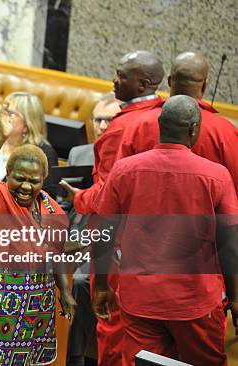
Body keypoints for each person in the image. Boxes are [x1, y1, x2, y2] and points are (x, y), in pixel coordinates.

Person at [93, 95, 238, 365]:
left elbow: (103, 232)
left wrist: (102, 285)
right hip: (195, 303)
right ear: (194, 129)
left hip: (140, 301)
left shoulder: (124, 169)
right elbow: (229, 244)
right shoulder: (216, 176)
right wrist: (236, 296)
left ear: (160, 124)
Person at [59, 50, 164, 366]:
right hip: (163, 247)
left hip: (118, 247)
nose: (114, 80)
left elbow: (107, 198)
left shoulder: (122, 128)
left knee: (113, 334)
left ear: (143, 83)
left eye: (121, 75)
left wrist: (79, 198)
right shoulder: (167, 117)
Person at [0, 107, 76, 365]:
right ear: (8, 175)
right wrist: (0, 138)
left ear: (43, 180)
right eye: (19, 178)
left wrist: (64, 291)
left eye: (34, 180)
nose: (26, 186)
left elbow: (54, 255)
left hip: (36, 305)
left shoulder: (52, 207)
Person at [117, 52, 238, 191]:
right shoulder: (226, 132)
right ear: (204, 85)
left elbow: (120, 180)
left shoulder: (139, 124)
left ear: (169, 82)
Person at [65, 93, 120, 366]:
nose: (100, 126)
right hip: (77, 230)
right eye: (96, 119)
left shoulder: (126, 159)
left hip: (110, 238)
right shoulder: (80, 153)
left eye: (108, 120)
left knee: (79, 281)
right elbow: (66, 204)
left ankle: (74, 357)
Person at [67, 93, 121, 167]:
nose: (102, 126)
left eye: (110, 120)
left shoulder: (136, 161)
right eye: (98, 120)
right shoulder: (77, 156)